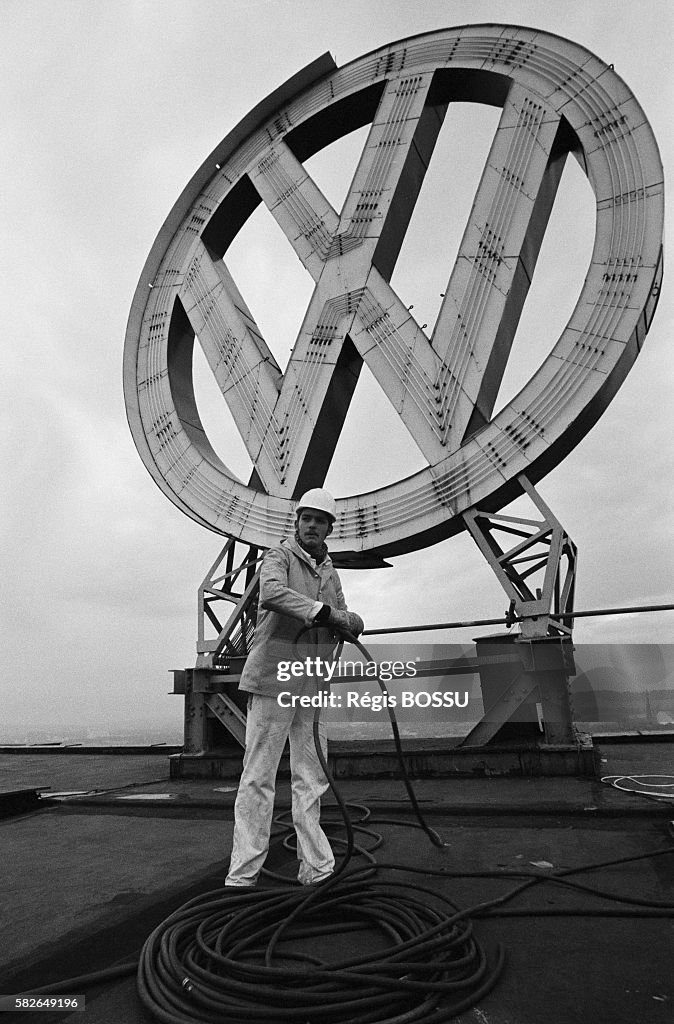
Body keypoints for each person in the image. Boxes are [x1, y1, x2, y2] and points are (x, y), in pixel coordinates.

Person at [225, 488, 364, 887]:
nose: (312, 526)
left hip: (312, 683)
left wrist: (347, 620)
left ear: (329, 529)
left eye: (320, 521)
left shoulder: (330, 572)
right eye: (307, 519)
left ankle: (316, 869)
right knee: (259, 776)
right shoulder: (279, 556)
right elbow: (271, 593)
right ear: (298, 523)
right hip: (274, 679)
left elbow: (343, 616)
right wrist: (323, 612)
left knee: (312, 776)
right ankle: (243, 875)